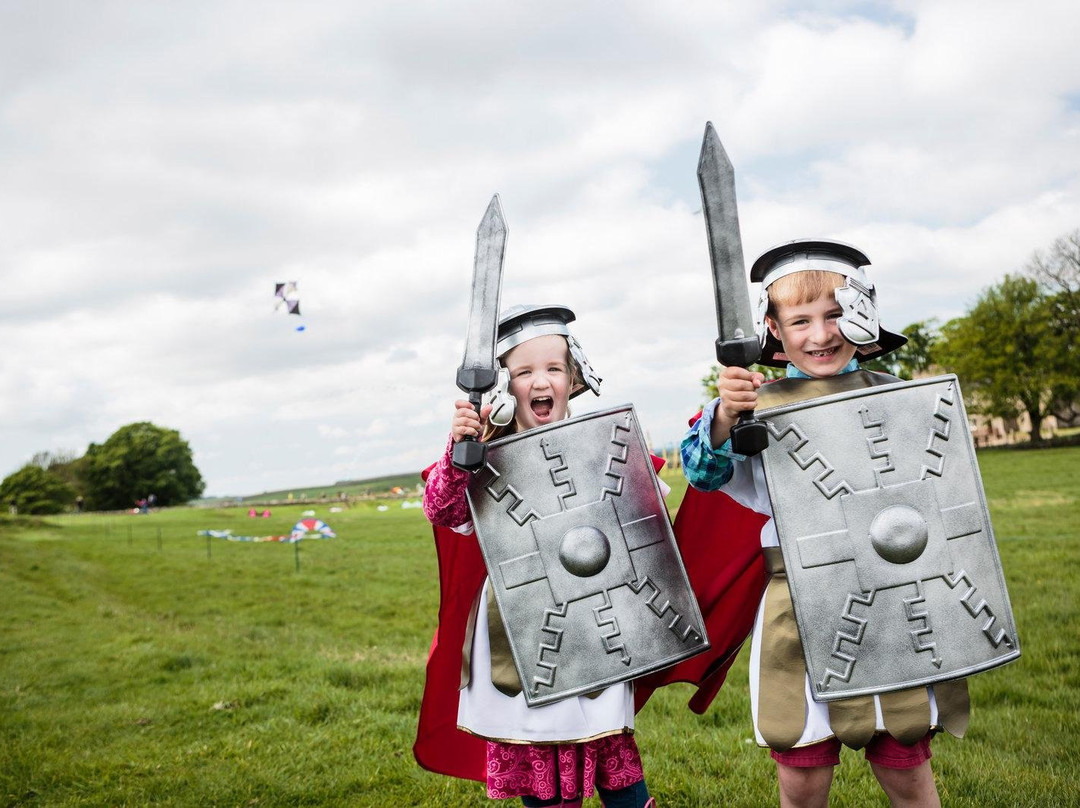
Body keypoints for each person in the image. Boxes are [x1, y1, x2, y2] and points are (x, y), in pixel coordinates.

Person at [681, 240, 969, 808]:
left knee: (906, 766)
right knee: (803, 776)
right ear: (773, 330)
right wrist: (724, 415)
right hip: (800, 606)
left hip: (896, 599)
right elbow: (702, 472)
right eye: (801, 320)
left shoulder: (895, 396)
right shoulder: (754, 408)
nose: (820, 335)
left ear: (863, 314)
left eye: (835, 315)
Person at [416, 304, 657, 808]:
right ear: (505, 388)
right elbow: (443, 510)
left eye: (553, 368)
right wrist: (460, 448)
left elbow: (643, 522)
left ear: (574, 377)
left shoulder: (601, 440)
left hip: (596, 621)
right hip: (522, 626)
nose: (540, 381)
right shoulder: (483, 453)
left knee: (614, 759)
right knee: (540, 754)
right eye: (524, 372)